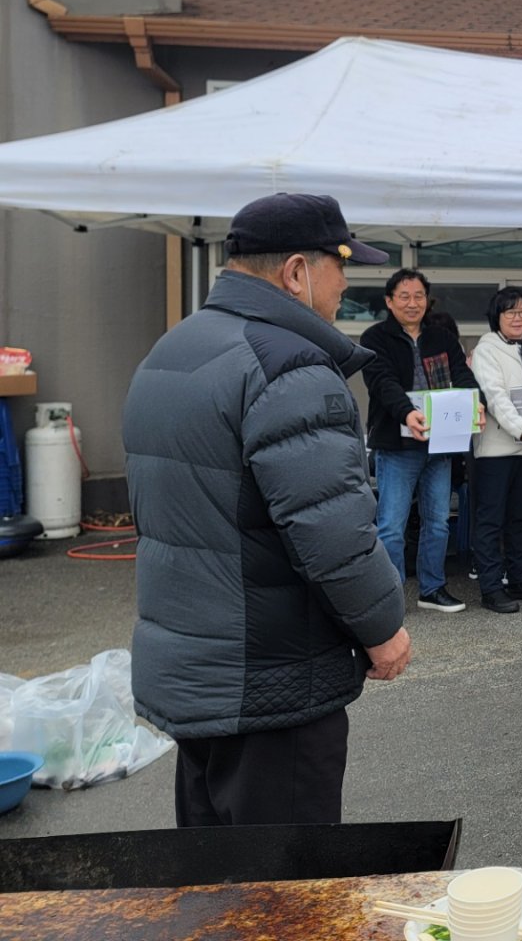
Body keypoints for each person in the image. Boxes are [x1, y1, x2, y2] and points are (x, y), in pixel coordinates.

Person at [124, 192, 409, 827]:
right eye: (341, 266)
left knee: (216, 870)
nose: (345, 286)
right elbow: (332, 531)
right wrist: (383, 628)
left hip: (199, 670)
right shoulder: (288, 367)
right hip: (271, 674)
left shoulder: (173, 349)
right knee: (288, 875)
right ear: (298, 272)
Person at [360, 268, 481, 614]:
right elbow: (382, 382)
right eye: (404, 296)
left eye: (419, 296)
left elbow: (462, 374)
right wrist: (406, 413)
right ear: (389, 301)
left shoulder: (441, 337)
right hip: (396, 445)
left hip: (439, 442)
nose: (412, 303)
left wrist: (477, 402)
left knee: (438, 521)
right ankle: (391, 596)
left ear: (427, 300)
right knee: (391, 526)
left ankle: (432, 588)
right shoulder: (375, 338)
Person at [469, 287, 522, 614]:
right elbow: (495, 398)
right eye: (510, 312)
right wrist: (521, 429)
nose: (518, 318)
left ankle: (521, 578)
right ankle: (491, 587)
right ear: (497, 317)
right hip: (497, 448)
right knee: (490, 520)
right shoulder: (486, 350)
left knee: (521, 517)